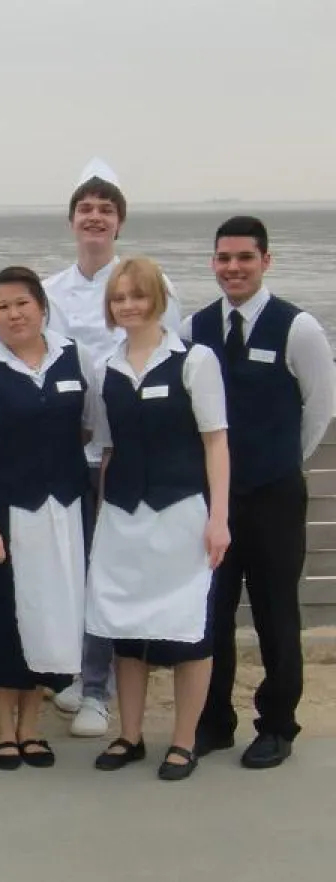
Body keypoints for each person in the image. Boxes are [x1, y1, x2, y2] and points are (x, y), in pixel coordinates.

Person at [183, 216, 336, 769]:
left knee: (275, 613)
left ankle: (277, 725)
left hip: (273, 496)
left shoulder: (298, 329)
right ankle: (213, 722)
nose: (233, 268)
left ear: (265, 261)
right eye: (223, 258)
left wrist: (280, 463)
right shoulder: (193, 328)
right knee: (212, 613)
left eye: (244, 258)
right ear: (213, 263)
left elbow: (319, 408)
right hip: (212, 501)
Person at [43, 158, 184, 737]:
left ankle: (97, 689)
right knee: (69, 567)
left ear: (119, 222)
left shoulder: (151, 286)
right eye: (86, 209)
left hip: (121, 457)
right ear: (72, 221)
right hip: (60, 453)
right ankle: (75, 669)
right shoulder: (49, 291)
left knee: (107, 571)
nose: (95, 218)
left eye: (106, 210)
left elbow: (177, 365)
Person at [89, 257, 231, 780]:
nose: (129, 305)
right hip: (124, 516)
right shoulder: (106, 367)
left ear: (158, 299)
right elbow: (107, 449)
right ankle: (129, 736)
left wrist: (219, 519)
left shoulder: (195, 361)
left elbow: (216, 442)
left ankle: (184, 741)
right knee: (127, 632)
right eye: (120, 297)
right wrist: (105, 513)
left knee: (187, 630)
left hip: (181, 514)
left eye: (138, 296)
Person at [0, 267, 95, 770]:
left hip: (64, 509)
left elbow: (88, 427)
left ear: (42, 306)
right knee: (5, 620)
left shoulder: (75, 357)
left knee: (51, 619)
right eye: (2, 307)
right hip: (10, 514)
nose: (14, 314)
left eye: (22, 303)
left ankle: (33, 727)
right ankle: (4, 729)